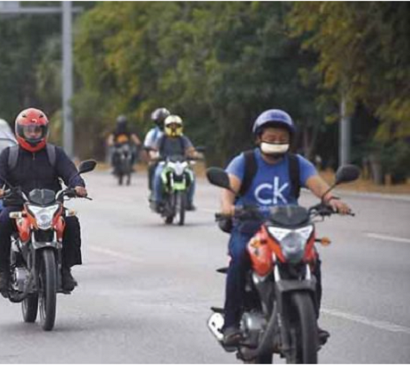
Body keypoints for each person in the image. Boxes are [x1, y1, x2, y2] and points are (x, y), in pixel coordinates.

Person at [218, 109, 352, 346]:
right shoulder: (244, 161)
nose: (276, 142)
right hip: (250, 226)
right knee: (239, 258)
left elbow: (320, 187)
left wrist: (332, 201)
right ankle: (230, 324)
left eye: (282, 138)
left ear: (290, 140)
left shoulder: (296, 164)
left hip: (289, 226)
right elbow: (229, 189)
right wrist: (228, 206)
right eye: (271, 137)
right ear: (259, 137)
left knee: (312, 261)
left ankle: (311, 322)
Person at [0, 107, 88, 295]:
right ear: (20, 131)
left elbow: (71, 173)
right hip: (18, 205)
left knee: (71, 222)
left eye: (37, 130)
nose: (33, 134)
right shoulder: (9, 155)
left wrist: (78, 185)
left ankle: (66, 271)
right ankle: (4, 272)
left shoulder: (54, 153)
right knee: (1, 222)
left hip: (51, 205)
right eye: (29, 130)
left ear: (44, 131)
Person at [149, 115, 202, 211]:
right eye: (171, 126)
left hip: (181, 163)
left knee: (192, 176)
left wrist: (195, 154)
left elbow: (190, 149)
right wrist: (154, 156)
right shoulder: (162, 138)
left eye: (176, 126)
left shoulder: (183, 138)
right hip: (164, 163)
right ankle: (158, 200)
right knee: (158, 175)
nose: (173, 128)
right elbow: (153, 149)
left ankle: (189, 202)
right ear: (166, 127)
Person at [144, 108, 171, 190]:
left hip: (175, 158)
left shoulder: (175, 132)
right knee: (152, 167)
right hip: (159, 159)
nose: (162, 124)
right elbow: (147, 147)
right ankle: (154, 191)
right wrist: (152, 157)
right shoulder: (153, 133)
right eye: (159, 121)